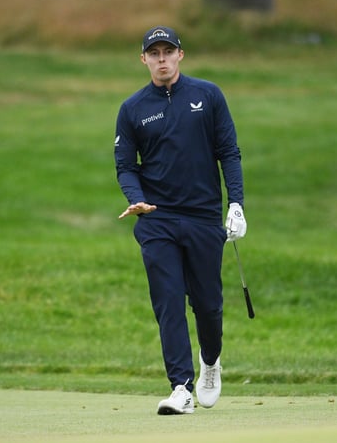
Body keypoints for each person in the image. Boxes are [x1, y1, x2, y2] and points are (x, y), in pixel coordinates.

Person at [114, 26, 247, 415]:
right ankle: (180, 387)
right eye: (153, 53)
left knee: (207, 305)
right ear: (143, 60)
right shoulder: (133, 108)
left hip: (204, 216)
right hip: (158, 219)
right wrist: (136, 200)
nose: (161, 59)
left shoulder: (208, 96)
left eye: (167, 51)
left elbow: (229, 152)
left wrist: (235, 204)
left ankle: (210, 362)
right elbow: (125, 166)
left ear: (180, 55)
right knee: (168, 301)